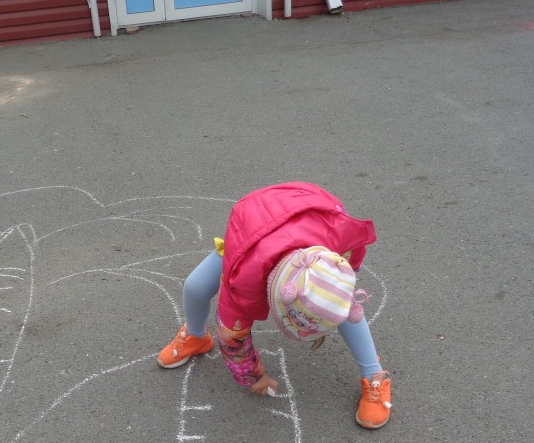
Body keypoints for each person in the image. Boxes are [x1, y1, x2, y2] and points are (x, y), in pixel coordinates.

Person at [156, 182, 392, 429]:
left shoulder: (342, 241)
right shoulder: (242, 280)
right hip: (251, 232)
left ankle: (374, 374)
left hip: (309, 211)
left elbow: (351, 257)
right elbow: (231, 335)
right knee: (195, 286)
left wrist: (339, 283)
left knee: (334, 302)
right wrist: (252, 376)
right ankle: (196, 336)